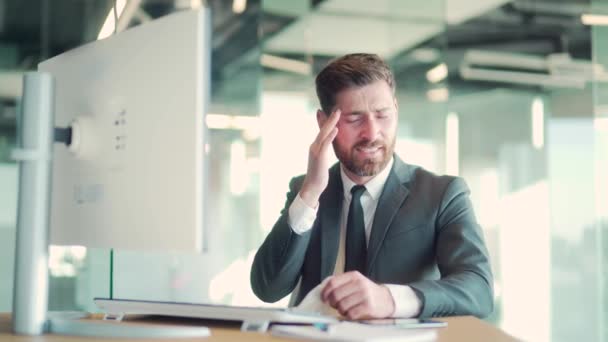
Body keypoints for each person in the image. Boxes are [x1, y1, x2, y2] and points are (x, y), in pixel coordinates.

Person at [250, 53, 493, 320]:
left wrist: (390, 299)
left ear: (396, 111)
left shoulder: (442, 194)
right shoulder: (306, 191)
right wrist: (309, 194)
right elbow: (267, 288)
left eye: (382, 115)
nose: (372, 133)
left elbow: (478, 290)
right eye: (354, 119)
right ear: (324, 123)